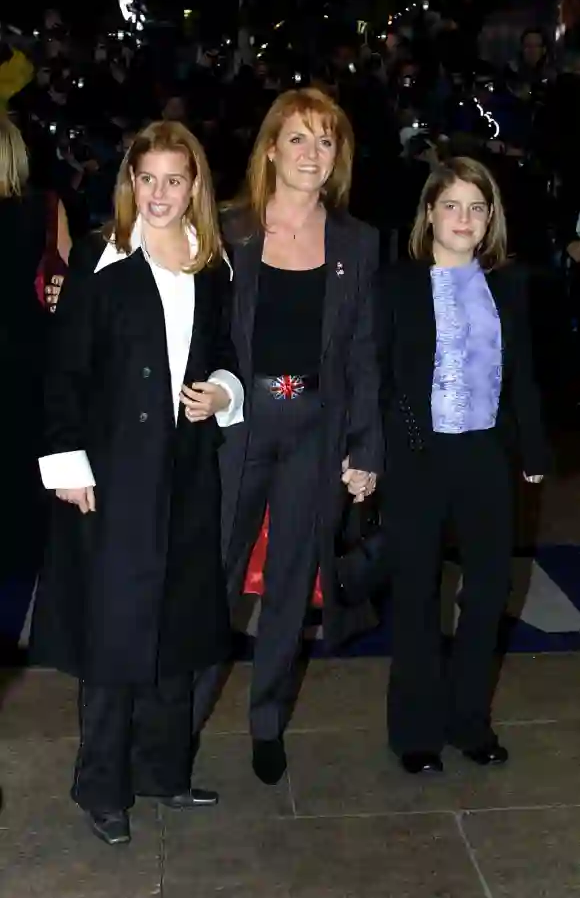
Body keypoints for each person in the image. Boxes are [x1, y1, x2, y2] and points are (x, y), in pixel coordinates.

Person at [30, 120, 244, 845]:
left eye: (173, 179)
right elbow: (63, 370)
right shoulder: (100, 257)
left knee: (179, 627)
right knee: (115, 634)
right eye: (146, 178)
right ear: (129, 183)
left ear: (195, 188)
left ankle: (163, 770)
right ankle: (102, 784)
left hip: (186, 471)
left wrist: (222, 390)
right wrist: (67, 464)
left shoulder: (211, 263)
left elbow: (222, 352)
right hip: (114, 475)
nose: (158, 193)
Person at [199, 87, 383, 786]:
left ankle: (267, 722)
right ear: (271, 147)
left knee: (287, 584)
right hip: (238, 426)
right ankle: (179, 718)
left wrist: (367, 448)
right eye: (298, 138)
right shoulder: (230, 230)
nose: (312, 153)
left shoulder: (357, 242)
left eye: (326, 141)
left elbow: (365, 353)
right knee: (213, 579)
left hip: (316, 425)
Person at [374, 156, 549, 775]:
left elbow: (522, 372)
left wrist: (533, 450)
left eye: (478, 207)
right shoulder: (397, 283)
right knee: (418, 592)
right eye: (452, 205)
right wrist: (374, 452)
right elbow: (382, 373)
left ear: (491, 218)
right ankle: (416, 732)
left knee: (489, 589)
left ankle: (469, 721)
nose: (465, 218)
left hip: (485, 454)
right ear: (428, 212)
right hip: (419, 454)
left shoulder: (509, 282)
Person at [0, 116, 69, 581]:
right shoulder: (45, 208)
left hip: (23, 352)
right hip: (30, 353)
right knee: (23, 481)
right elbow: (67, 279)